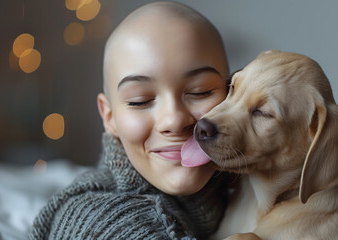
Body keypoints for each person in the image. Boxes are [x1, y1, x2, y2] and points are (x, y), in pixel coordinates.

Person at [29, 1, 231, 239]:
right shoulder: (99, 220)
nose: (174, 120)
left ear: (233, 94)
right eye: (140, 100)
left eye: (200, 92)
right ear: (109, 116)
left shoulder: (249, 182)